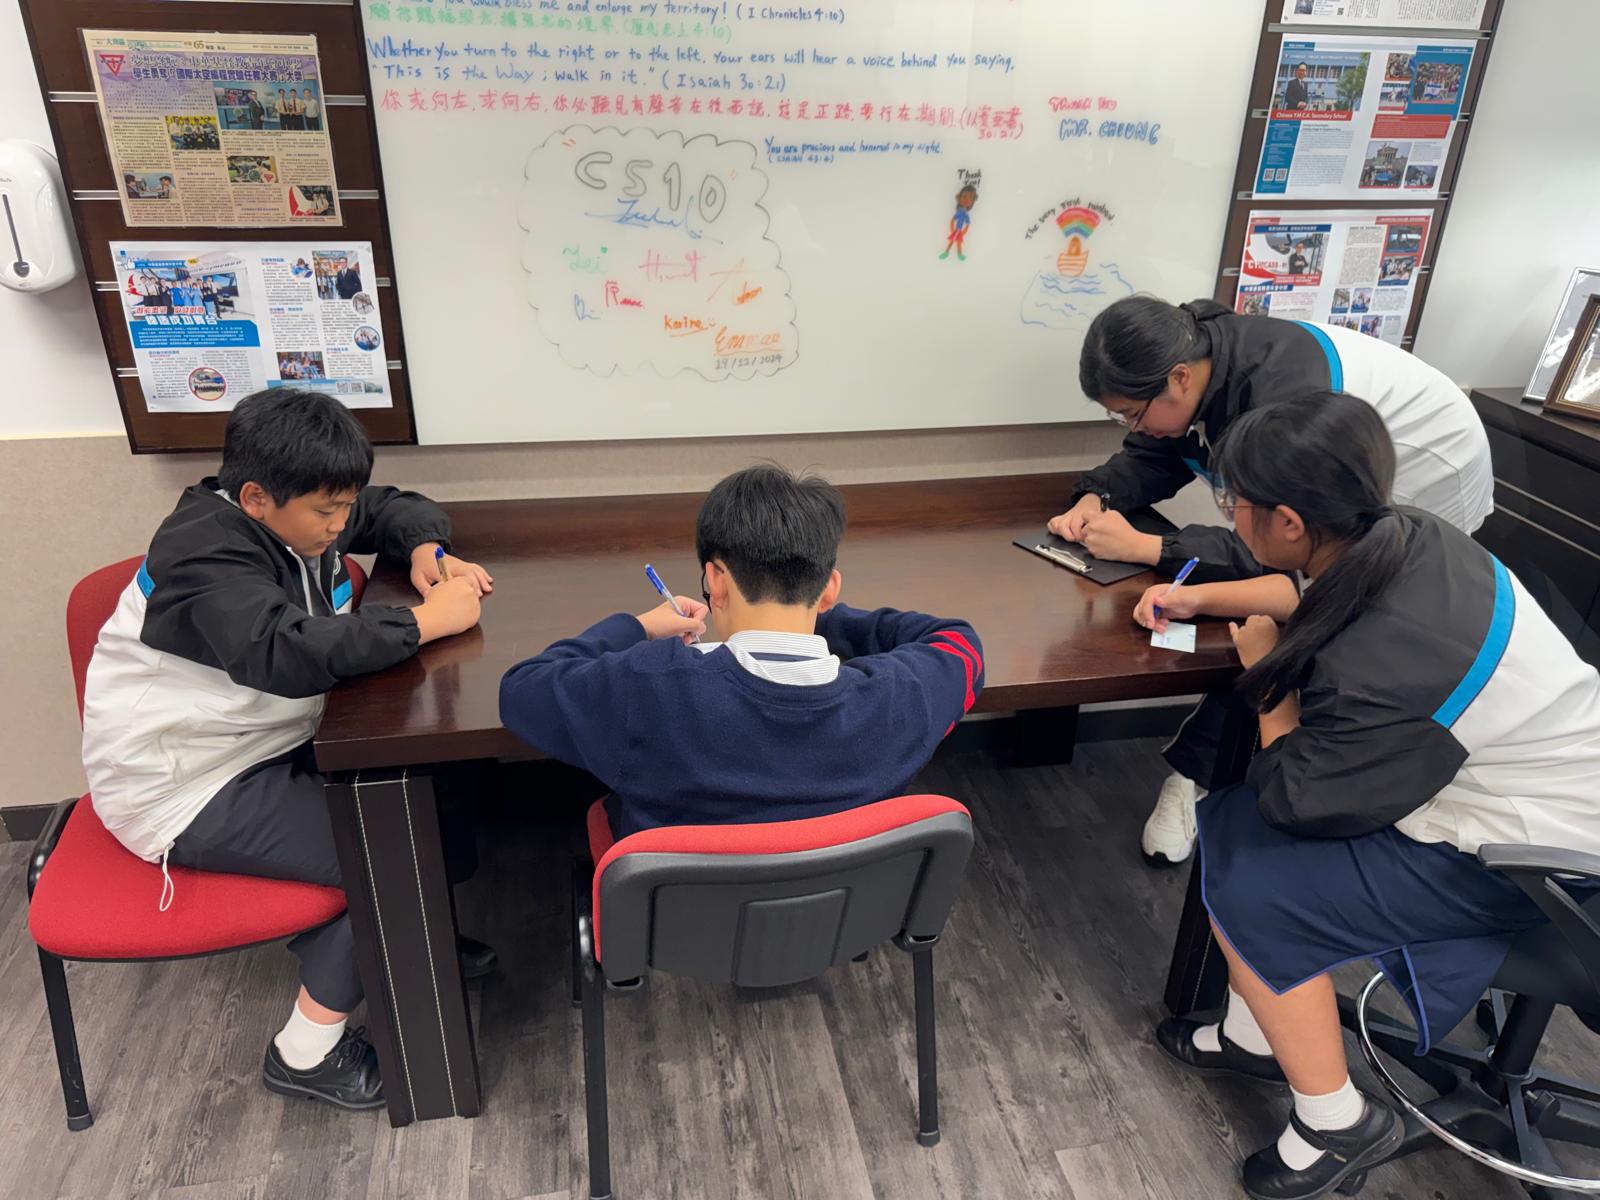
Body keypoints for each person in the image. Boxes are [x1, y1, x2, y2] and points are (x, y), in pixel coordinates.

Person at [1149, 393, 1600, 1200]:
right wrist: (1204, 599)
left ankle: (1335, 1124)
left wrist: (1267, 683)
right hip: (1541, 782)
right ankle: (1259, 1035)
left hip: (1552, 866)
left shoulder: (1390, 664)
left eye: (1232, 502)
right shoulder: (1409, 534)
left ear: (1290, 522)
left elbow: (1297, 799)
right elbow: (1319, 601)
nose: (1230, 513)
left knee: (1258, 876)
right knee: (1232, 829)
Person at [80, 390, 498, 1110]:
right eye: (328, 513)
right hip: (183, 782)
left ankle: (406, 936)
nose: (340, 525)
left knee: (437, 805)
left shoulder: (296, 508)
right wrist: (425, 622)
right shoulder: (201, 553)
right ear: (255, 498)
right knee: (387, 850)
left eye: (344, 507)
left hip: (270, 742)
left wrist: (426, 548)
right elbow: (285, 652)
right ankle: (305, 1053)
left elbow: (393, 508)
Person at [1049, 295, 1493, 865]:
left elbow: (1277, 553)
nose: (1133, 427)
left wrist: (1150, 547)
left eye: (1131, 414)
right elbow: (1166, 455)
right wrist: (1098, 494)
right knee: (1280, 617)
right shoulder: (1199, 368)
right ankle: (1217, 769)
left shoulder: (1282, 396)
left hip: (1429, 466)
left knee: (1325, 625)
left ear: (1179, 379)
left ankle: (1211, 776)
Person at [499, 464, 984, 838]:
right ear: (830, 588)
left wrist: (636, 627)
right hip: (838, 919)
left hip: (684, 924)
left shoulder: (648, 689)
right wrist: (815, 611)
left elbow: (521, 691)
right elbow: (961, 644)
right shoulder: (899, 699)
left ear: (715, 581)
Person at [940, 185, 978, 261]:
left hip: (959, 231)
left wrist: (963, 232)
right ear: (959, 197)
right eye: (964, 196)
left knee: (957, 242)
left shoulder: (966, 215)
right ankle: (948, 253)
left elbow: (967, 224)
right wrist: (953, 229)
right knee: (954, 242)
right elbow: (953, 220)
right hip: (957, 231)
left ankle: (956, 254)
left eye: (971, 197)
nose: (967, 200)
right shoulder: (960, 212)